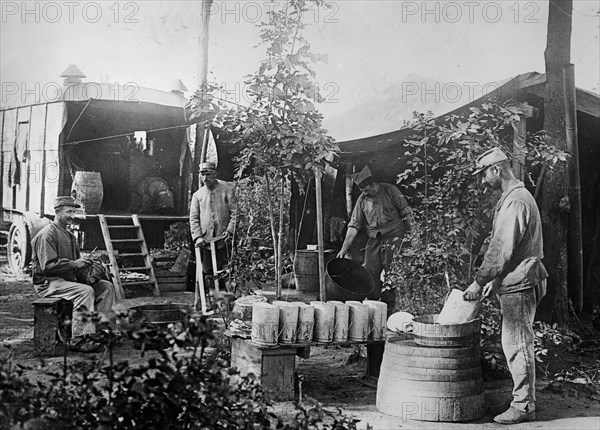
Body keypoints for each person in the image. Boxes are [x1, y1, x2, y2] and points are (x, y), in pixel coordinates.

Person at [463, 147, 548, 424]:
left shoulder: (515, 202)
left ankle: (523, 405)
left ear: (496, 170)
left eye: (484, 174)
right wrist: (495, 281)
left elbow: (501, 250)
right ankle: (522, 398)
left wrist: (479, 281)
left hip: (521, 281)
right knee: (515, 341)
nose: (482, 181)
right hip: (515, 278)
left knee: (517, 343)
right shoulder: (512, 197)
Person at [31, 196, 117, 352]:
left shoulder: (69, 235)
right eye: (68, 212)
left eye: (74, 212)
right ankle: (78, 339)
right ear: (57, 212)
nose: (72, 215)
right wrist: (74, 264)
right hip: (48, 283)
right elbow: (47, 266)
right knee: (85, 291)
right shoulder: (47, 234)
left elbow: (76, 263)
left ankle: (102, 331)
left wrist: (88, 264)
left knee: (106, 287)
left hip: (67, 280)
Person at [337, 165, 416, 301]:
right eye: (362, 190)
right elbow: (354, 225)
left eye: (366, 189)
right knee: (369, 271)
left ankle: (392, 303)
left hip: (394, 237)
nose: (364, 193)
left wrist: (414, 237)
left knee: (394, 271)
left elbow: (407, 214)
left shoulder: (391, 190)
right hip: (374, 240)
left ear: (374, 184)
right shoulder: (362, 199)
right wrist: (344, 248)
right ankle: (374, 302)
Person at [189, 162, 238, 291]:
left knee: (227, 269)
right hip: (206, 240)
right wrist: (198, 237)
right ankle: (211, 299)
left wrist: (230, 231)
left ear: (215, 174)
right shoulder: (198, 195)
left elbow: (235, 213)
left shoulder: (227, 189)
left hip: (224, 239)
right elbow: (193, 219)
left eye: (208, 175)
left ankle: (228, 300)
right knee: (208, 271)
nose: (205, 179)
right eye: (202, 175)